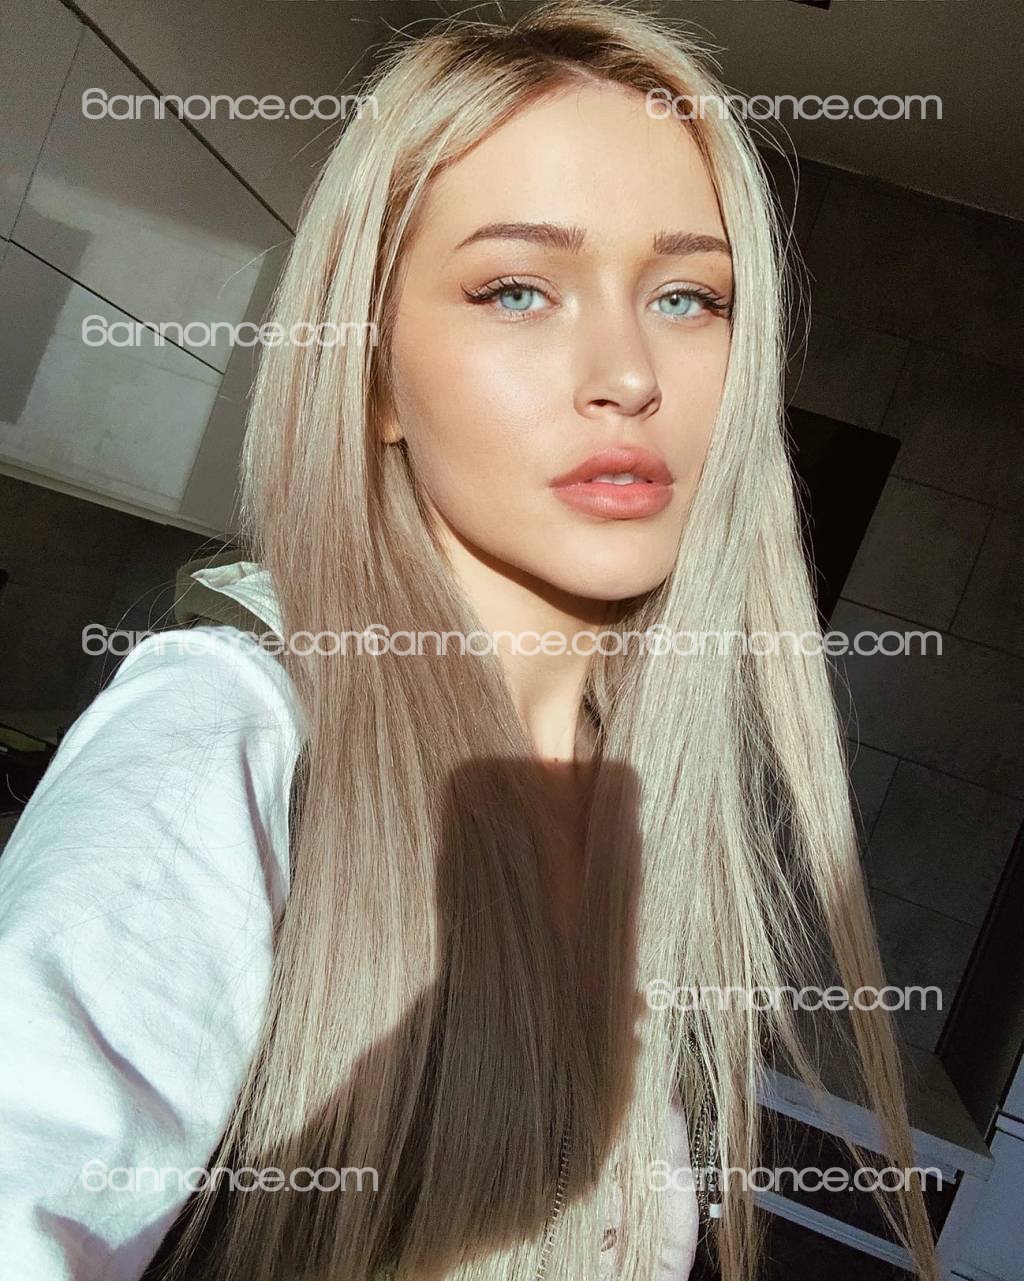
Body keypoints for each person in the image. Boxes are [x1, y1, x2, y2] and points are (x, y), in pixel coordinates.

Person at [0, 3, 940, 1279]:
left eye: (686, 296)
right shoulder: (239, 730)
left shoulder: (632, 803)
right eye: (516, 290)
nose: (628, 374)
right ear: (374, 376)